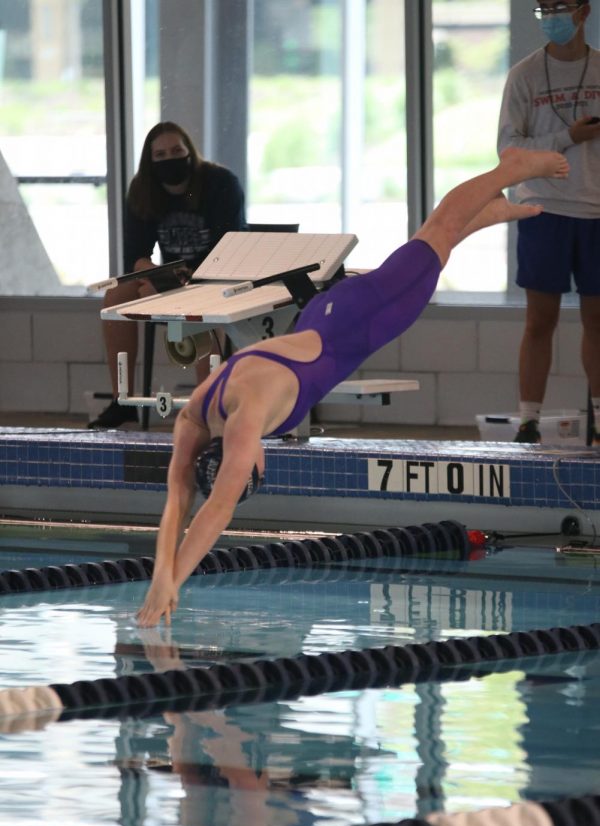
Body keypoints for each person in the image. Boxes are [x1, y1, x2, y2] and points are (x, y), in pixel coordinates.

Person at [136, 147, 570, 627]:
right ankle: (490, 212)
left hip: (359, 323)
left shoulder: (246, 425)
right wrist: (162, 576)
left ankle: (509, 169)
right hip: (326, 313)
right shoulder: (196, 414)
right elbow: (177, 503)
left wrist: (174, 580)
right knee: (434, 249)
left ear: (246, 462)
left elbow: (215, 509)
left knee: (438, 229)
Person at [90, 121, 247, 429]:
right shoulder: (142, 190)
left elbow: (230, 249)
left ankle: (207, 405)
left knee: (196, 308)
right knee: (116, 297)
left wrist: (184, 282)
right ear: (150, 163)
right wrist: (158, 278)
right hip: (171, 276)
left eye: (177, 151)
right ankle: (122, 400)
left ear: (190, 151)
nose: (170, 159)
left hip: (216, 278)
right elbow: (135, 257)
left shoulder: (220, 183)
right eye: (160, 155)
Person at [497, 0, 600, 443]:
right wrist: (567, 137)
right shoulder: (525, 75)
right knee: (540, 321)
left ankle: (598, 421)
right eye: (544, 10)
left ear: (584, 12)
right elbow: (509, 149)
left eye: (560, 7)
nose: (552, 18)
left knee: (597, 321)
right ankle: (528, 421)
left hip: (596, 211)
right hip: (544, 208)